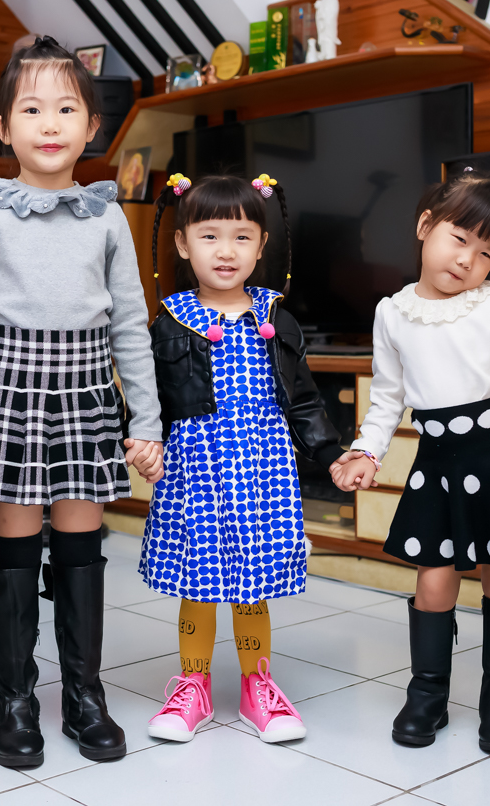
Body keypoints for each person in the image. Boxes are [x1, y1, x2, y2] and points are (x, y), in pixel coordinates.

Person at [0, 36, 165, 769]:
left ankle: (83, 695)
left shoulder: (105, 215)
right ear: (3, 127)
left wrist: (146, 421)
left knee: (79, 539)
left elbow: (130, 324)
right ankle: (16, 699)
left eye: (66, 109)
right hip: (10, 395)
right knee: (14, 539)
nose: (49, 123)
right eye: (31, 109)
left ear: (91, 126)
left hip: (85, 395)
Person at [334, 172, 490, 756]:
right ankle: (428, 692)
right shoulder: (393, 313)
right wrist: (367, 450)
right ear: (426, 226)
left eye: (487, 252)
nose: (469, 259)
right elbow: (388, 397)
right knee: (434, 578)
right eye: (460, 239)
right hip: (439, 461)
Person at [139, 173, 349, 744]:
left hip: (262, 468)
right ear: (183, 243)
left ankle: (259, 685)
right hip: (195, 471)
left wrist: (330, 452)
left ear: (262, 245)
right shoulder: (170, 320)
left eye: (241, 237)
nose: (225, 251)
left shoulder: (275, 318)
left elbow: (303, 398)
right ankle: (194, 686)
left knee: (251, 585)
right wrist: (142, 439)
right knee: (198, 582)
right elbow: (149, 396)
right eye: (209, 236)